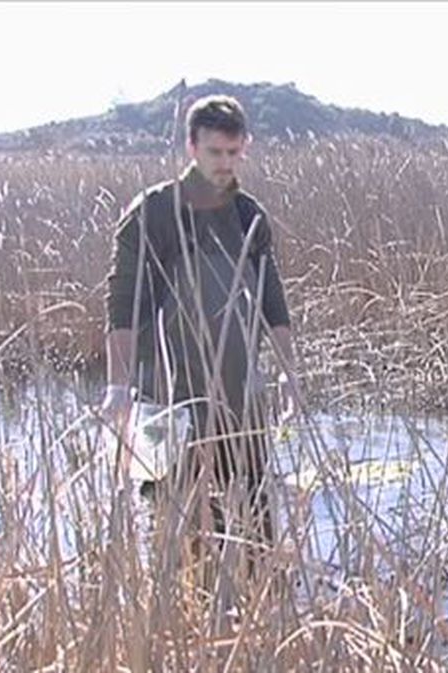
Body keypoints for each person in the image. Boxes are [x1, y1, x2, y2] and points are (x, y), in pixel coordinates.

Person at [99, 94, 300, 555]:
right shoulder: (153, 212)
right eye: (214, 152)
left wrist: (289, 372)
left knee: (256, 532)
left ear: (244, 147)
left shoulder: (249, 215)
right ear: (191, 146)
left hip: (239, 399)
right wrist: (118, 386)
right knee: (182, 534)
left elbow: (272, 298)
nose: (225, 163)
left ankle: (257, 613)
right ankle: (184, 621)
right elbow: (124, 300)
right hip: (172, 401)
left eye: (233, 152)